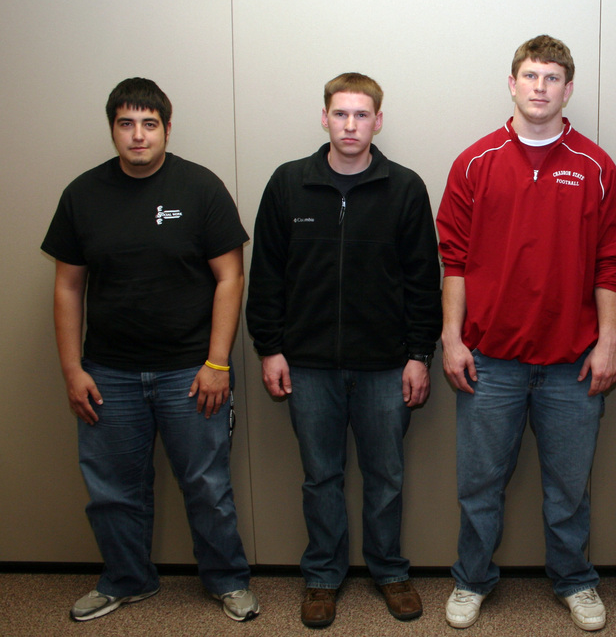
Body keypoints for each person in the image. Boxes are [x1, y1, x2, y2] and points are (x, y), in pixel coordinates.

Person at [42, 78, 258, 623]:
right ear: (113, 128)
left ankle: (226, 579)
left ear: (166, 128)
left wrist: (216, 362)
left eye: (149, 123)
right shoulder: (82, 195)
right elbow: (68, 286)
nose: (138, 136)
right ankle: (126, 579)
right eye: (126, 124)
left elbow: (230, 277)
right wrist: (72, 369)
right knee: (112, 490)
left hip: (190, 371)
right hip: (107, 373)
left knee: (207, 486)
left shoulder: (200, 188)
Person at [435, 35, 616, 631]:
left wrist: (609, 341)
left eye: (552, 77)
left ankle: (574, 581)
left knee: (568, 489)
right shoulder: (475, 162)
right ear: (513, 83)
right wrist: (451, 338)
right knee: (479, 486)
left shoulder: (596, 167)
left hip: (573, 363)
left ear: (567, 89)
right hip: (490, 360)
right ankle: (472, 580)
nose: (540, 87)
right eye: (530, 75)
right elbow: (454, 259)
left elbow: (611, 261)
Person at [246, 72, 441, 629]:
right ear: (324, 117)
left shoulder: (404, 188)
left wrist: (418, 356)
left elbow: (423, 281)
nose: (350, 125)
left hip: (385, 366)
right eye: (341, 114)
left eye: (362, 115)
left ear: (378, 121)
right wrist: (270, 348)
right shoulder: (288, 185)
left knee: (386, 476)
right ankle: (323, 577)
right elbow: (267, 277)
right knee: (320, 477)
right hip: (307, 367)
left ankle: (390, 572)